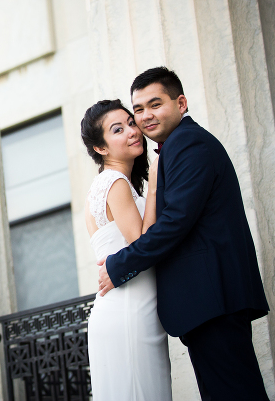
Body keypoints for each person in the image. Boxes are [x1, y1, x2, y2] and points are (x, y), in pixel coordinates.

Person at [97, 67, 270, 400]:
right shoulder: (173, 148)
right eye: (139, 110)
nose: (146, 116)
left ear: (181, 103)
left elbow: (176, 221)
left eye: (155, 104)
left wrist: (120, 265)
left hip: (213, 298)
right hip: (206, 301)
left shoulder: (188, 143)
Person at [81, 99, 172, 400]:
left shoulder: (105, 185)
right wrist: (157, 183)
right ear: (101, 148)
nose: (133, 131)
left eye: (131, 123)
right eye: (118, 129)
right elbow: (141, 242)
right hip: (130, 312)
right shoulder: (114, 181)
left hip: (123, 308)